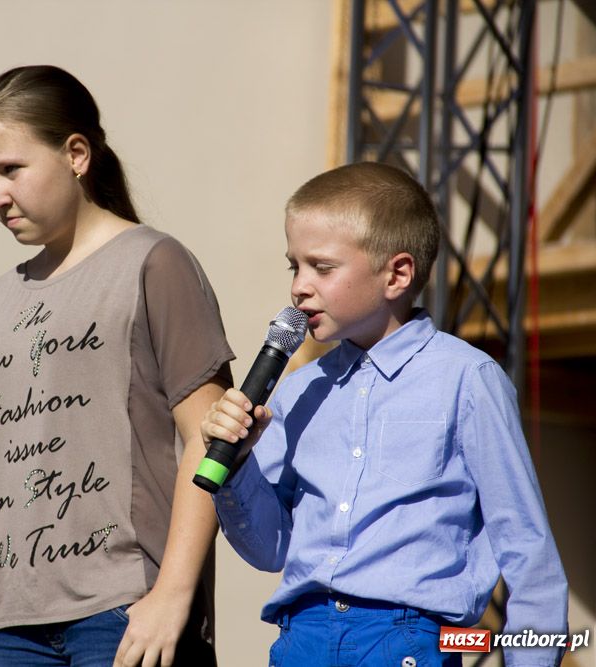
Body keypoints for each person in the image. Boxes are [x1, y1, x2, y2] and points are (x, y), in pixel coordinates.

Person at [0, 65, 234, 667]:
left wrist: (172, 596)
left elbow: (212, 443)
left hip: (125, 612)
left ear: (76, 154)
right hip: (11, 625)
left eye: (10, 169)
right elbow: (15, 451)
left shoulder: (154, 264)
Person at [200, 162, 568, 666]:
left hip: (406, 639)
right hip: (301, 637)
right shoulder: (298, 390)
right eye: (295, 266)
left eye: (322, 268)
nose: (299, 287)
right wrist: (237, 466)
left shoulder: (466, 379)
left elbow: (527, 550)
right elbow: (270, 549)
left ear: (396, 273)